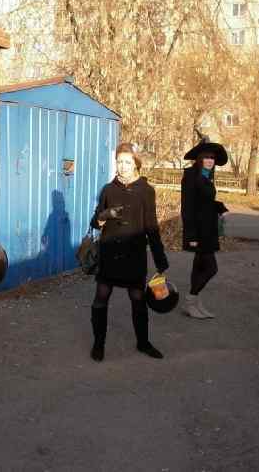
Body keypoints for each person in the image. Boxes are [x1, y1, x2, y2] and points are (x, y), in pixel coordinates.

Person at [89, 142, 169, 362]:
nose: (122, 166)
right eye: (119, 162)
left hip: (134, 256)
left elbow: (151, 227)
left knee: (138, 300)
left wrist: (160, 259)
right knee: (100, 299)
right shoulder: (108, 189)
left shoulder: (146, 191)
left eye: (127, 162)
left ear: (136, 164)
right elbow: (95, 222)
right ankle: (98, 344)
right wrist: (104, 215)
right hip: (109, 254)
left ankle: (143, 343)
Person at [180, 137, 229, 320]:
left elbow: (204, 201)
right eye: (206, 157)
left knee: (199, 266)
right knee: (211, 268)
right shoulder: (191, 176)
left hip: (208, 229)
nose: (210, 160)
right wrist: (191, 235)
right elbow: (187, 207)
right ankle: (190, 299)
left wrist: (219, 207)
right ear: (199, 158)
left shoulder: (206, 175)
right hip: (198, 232)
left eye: (212, 158)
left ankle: (195, 303)